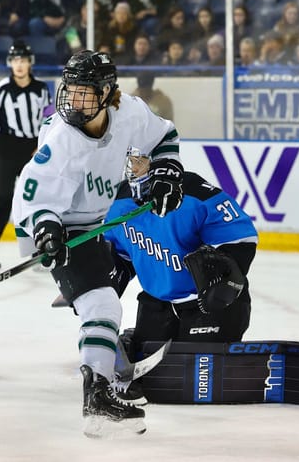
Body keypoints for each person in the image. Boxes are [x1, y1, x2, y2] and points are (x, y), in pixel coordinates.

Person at [11, 50, 184, 437]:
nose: (74, 100)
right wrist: (47, 230)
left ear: (107, 94)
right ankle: (98, 398)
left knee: (101, 301)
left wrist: (168, 171)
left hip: (95, 222)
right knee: (102, 302)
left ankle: (103, 375)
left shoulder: (131, 114)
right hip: (56, 224)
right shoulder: (60, 139)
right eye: (69, 90)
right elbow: (32, 199)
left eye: (85, 93)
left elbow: (165, 136)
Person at [104, 147, 258, 403]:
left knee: (194, 375)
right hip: (157, 304)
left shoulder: (193, 190)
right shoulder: (117, 201)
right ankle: (134, 338)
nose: (131, 168)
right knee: (153, 379)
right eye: (129, 161)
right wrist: (99, 284)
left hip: (209, 306)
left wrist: (224, 277)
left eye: (138, 161)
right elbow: (120, 256)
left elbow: (241, 236)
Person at [0, 40, 54, 271]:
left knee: (39, 200)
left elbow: (50, 121)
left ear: (30, 63)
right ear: (10, 63)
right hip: (6, 148)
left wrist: (44, 145)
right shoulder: (0, 89)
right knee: (1, 200)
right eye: (15, 60)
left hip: (33, 149)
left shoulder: (41, 89)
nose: (19, 65)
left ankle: (41, 249)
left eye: (24, 60)